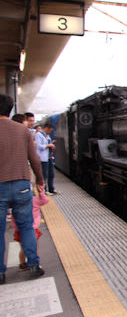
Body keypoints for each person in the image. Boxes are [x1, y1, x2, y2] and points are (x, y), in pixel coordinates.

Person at [0, 94, 46, 284]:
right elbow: (34, 159)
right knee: (27, 226)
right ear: (10, 109)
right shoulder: (23, 130)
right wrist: (40, 181)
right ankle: (33, 265)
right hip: (21, 185)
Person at [11, 188, 49, 270]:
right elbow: (45, 201)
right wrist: (41, 192)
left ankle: (22, 264)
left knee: (23, 248)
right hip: (32, 229)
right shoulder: (34, 200)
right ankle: (34, 263)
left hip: (19, 229)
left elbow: (14, 218)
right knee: (33, 247)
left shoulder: (16, 202)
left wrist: (16, 228)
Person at [35, 123, 55, 194]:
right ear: (47, 128)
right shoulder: (38, 135)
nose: (50, 132)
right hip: (42, 158)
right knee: (44, 175)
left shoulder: (47, 135)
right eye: (50, 130)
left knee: (51, 174)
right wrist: (48, 145)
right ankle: (44, 190)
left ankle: (51, 189)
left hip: (49, 157)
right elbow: (38, 146)